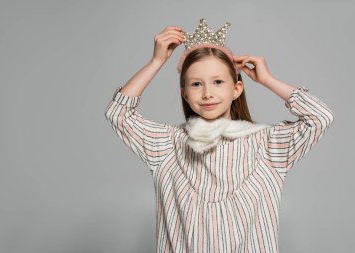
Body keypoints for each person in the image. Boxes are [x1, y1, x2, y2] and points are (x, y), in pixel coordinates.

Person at [104, 18, 334, 253]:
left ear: (236, 89)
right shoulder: (167, 146)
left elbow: (320, 117)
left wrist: (267, 80)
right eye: (196, 84)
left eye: (218, 82)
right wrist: (156, 61)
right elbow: (118, 113)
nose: (207, 93)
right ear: (184, 94)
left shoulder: (267, 146)